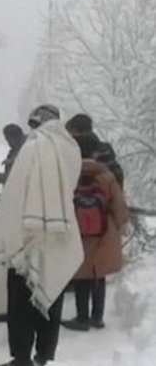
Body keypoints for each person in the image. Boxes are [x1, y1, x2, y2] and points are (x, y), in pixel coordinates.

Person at [0, 104, 84, 366]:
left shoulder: (36, 146)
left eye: (33, 124)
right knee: (53, 292)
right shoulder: (71, 147)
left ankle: (22, 359)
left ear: (38, 123)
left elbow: (17, 191)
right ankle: (46, 356)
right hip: (61, 232)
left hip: (30, 234)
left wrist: (9, 227)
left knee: (21, 299)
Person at [63, 133, 130, 331]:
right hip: (103, 233)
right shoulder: (106, 176)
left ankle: (81, 318)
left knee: (81, 275)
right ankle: (97, 317)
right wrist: (119, 224)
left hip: (77, 232)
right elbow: (120, 209)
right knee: (98, 275)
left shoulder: (69, 175)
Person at [65, 113, 124, 188]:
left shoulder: (70, 152)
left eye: (68, 133)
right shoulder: (105, 151)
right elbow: (118, 177)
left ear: (74, 131)